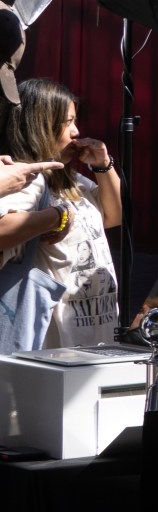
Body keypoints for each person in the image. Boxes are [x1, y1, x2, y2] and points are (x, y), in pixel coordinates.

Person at [0, 78, 124, 348]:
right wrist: (56, 217)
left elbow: (112, 218)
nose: (77, 132)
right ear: (40, 125)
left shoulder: (72, 181)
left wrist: (104, 165)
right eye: (68, 122)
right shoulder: (25, 181)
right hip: (54, 343)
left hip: (95, 334)